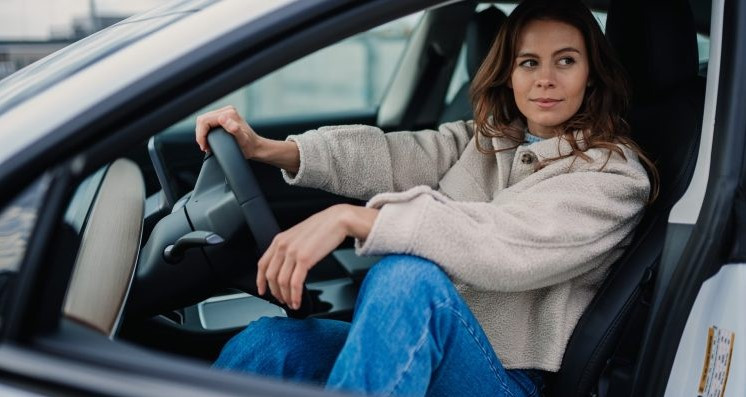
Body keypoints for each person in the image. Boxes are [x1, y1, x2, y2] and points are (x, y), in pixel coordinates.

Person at [194, 0, 656, 395]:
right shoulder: (490, 140)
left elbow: (501, 242)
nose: (545, 79)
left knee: (407, 280)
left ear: (592, 76)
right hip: (435, 344)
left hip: (511, 380)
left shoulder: (613, 176)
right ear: (510, 74)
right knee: (272, 344)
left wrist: (351, 220)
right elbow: (393, 156)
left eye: (566, 61)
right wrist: (266, 149)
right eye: (529, 62)